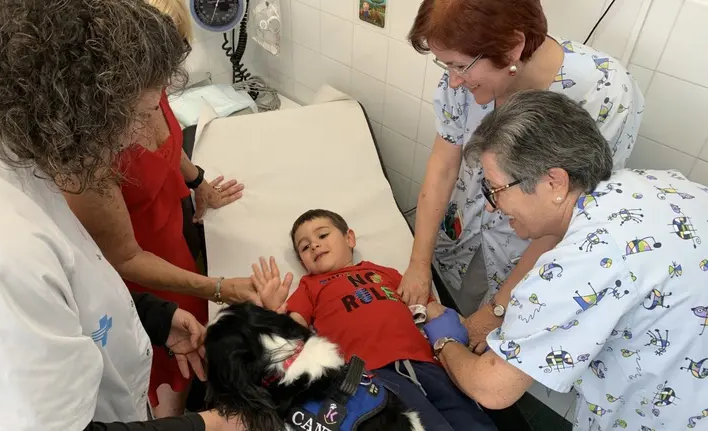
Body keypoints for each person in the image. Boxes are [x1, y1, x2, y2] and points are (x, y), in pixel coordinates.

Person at [0, 1, 246, 429]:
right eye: (138, 115)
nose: (142, 135)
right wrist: (212, 424)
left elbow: (75, 287)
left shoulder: (16, 157)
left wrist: (155, 318)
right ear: (85, 105)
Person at [421, 89, 708, 431]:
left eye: (496, 190)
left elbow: (492, 388)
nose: (490, 206)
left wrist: (444, 340)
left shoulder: (580, 261)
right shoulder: (658, 183)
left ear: (554, 182)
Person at [400, 0, 645, 354]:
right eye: (446, 65)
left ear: (513, 46)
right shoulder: (461, 78)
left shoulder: (603, 93)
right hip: (463, 232)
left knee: (488, 355)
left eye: (460, 66)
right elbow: (443, 167)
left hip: (529, 258)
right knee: (447, 327)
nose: (453, 79)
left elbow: (570, 211)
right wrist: (418, 263)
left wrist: (499, 307)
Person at [64, 0, 254, 417]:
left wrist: (197, 180)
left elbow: (166, 143)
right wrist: (221, 287)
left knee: (193, 349)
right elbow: (125, 257)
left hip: (174, 240)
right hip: (138, 268)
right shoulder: (84, 157)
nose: (166, 84)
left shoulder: (151, 88)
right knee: (161, 370)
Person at [251, 209, 497, 431]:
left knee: (472, 421)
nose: (314, 246)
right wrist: (274, 312)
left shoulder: (385, 273)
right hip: (372, 374)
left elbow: (430, 307)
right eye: (304, 247)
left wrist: (469, 330)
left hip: (427, 362)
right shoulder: (310, 286)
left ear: (350, 238)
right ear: (302, 262)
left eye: (322, 235)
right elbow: (295, 332)